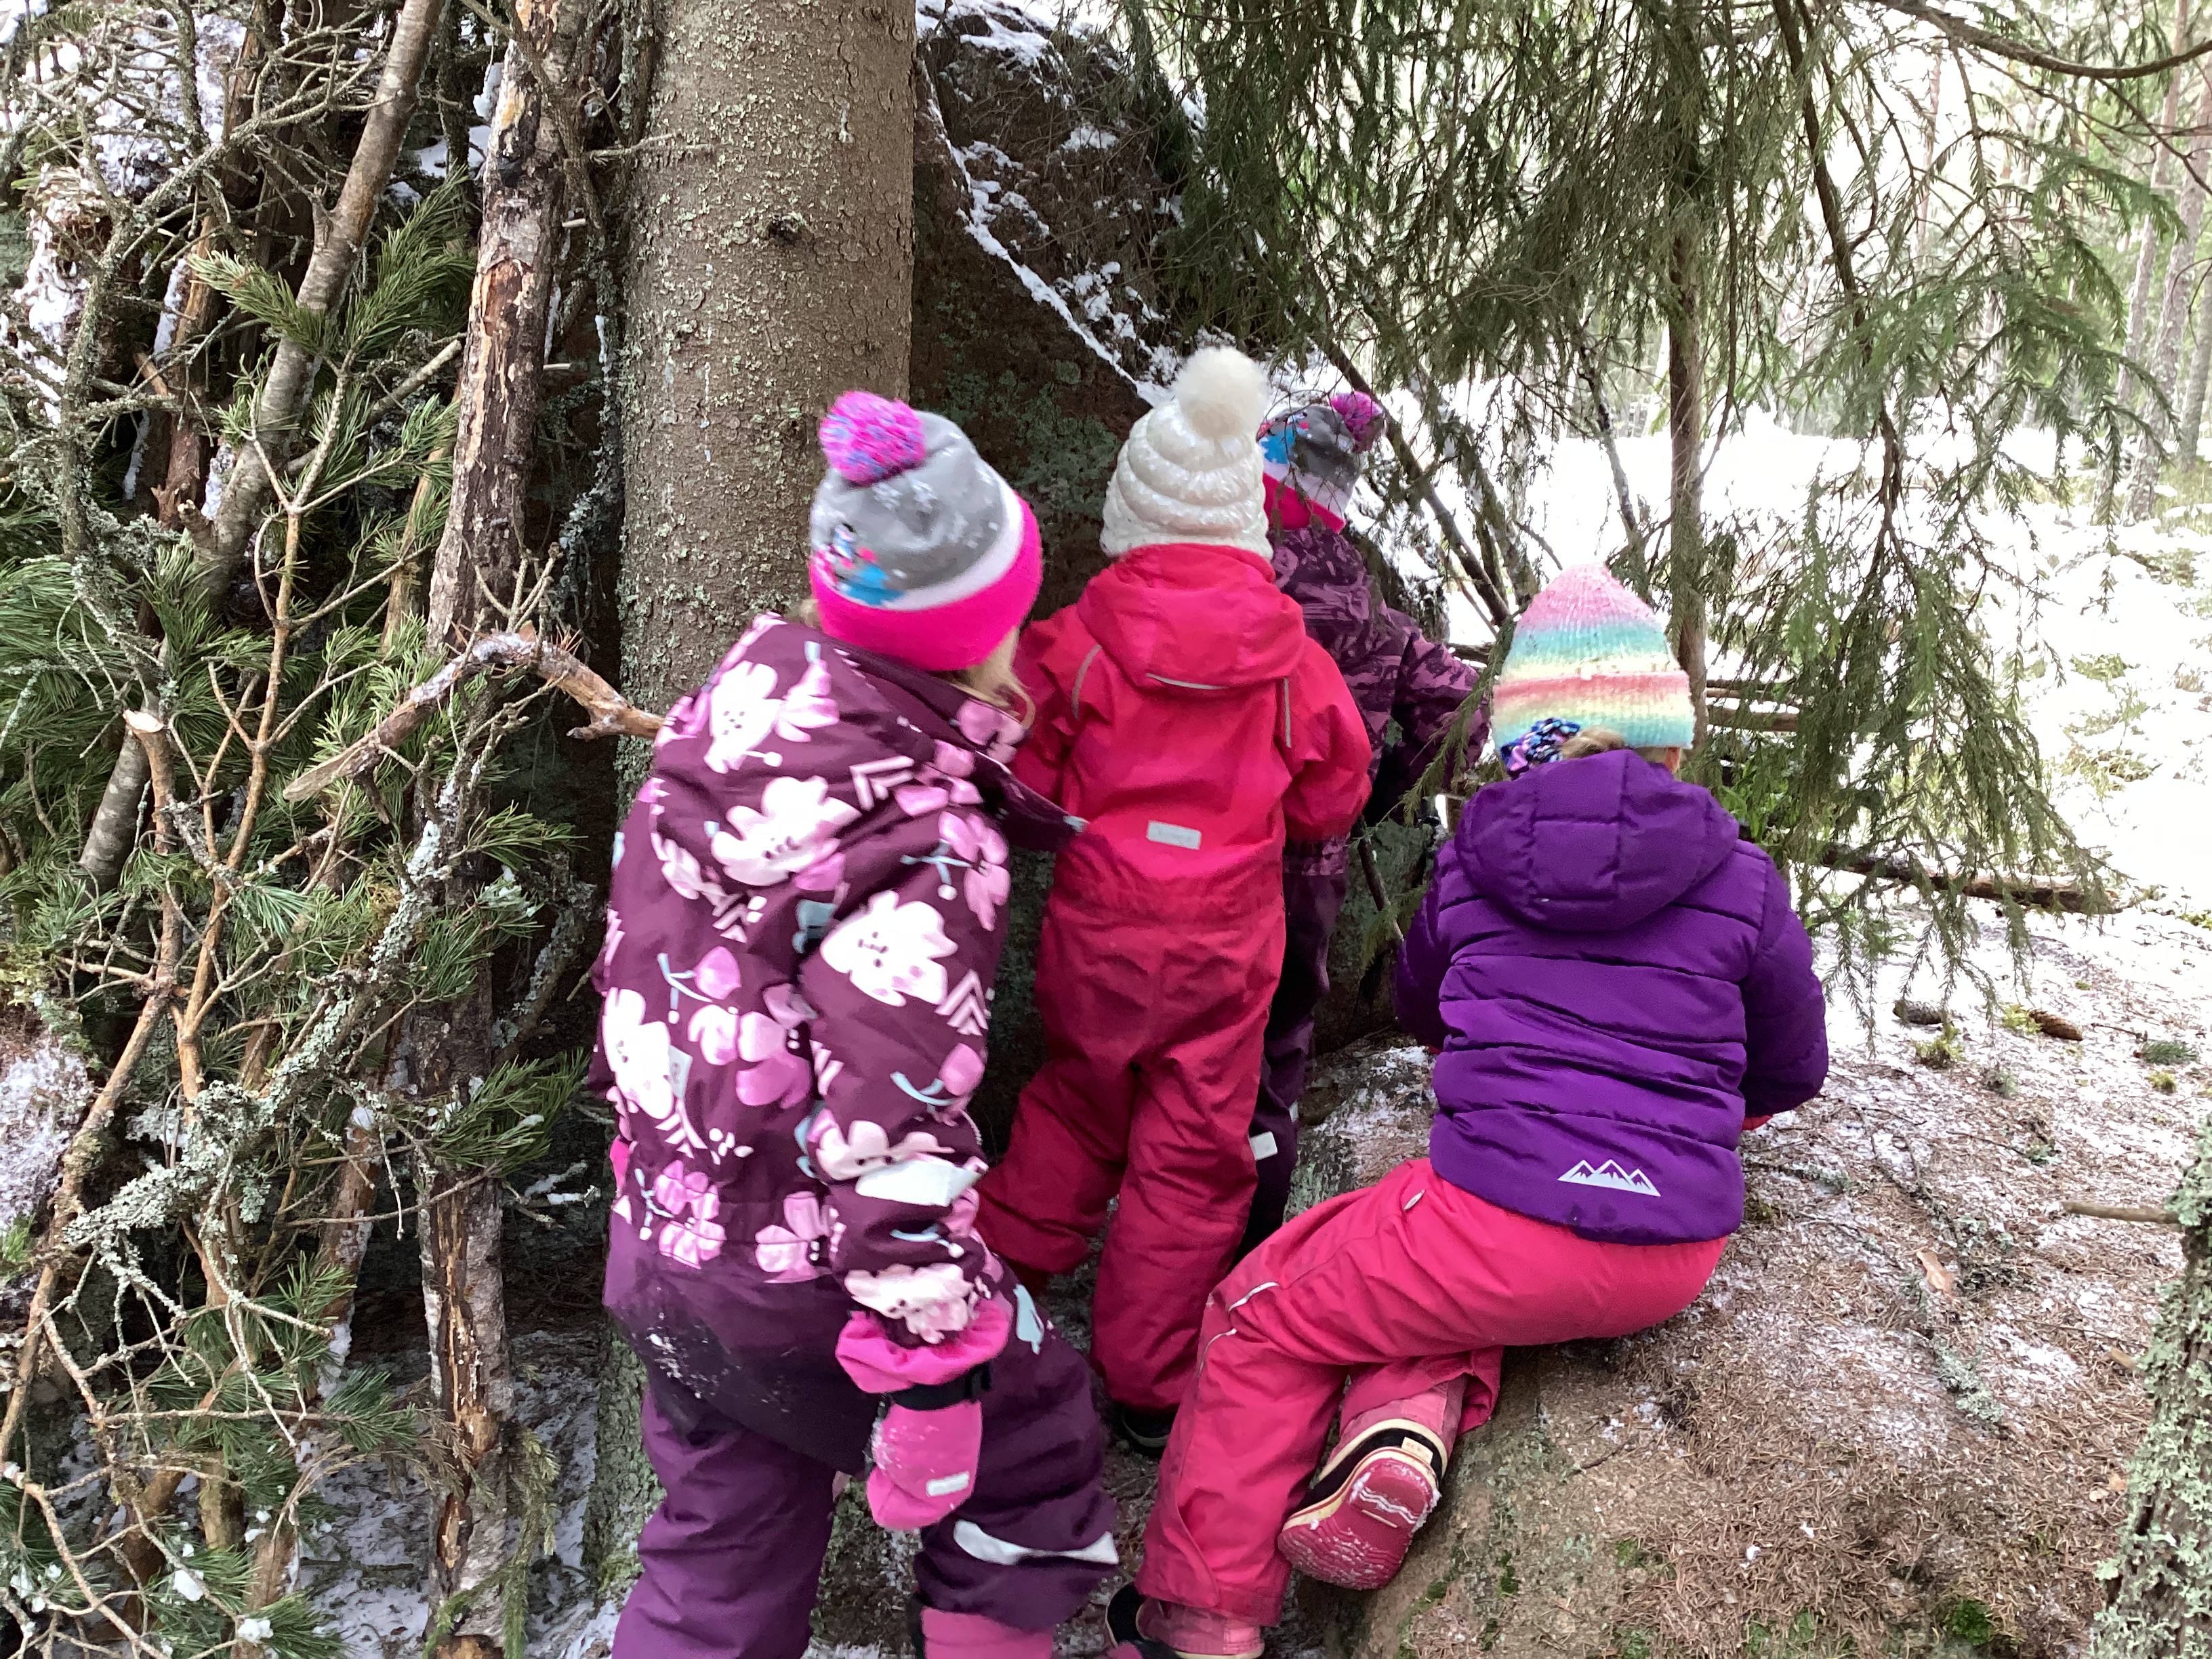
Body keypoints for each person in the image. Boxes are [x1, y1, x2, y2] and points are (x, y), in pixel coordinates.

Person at [1106, 564, 1830, 1659]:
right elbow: (1790, 1068)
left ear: (1516, 745)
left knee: (1264, 1309)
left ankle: (1198, 1618)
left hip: (1490, 1225)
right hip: (1673, 1251)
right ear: (1671, 747)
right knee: (1423, 1279)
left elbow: (1419, 1003)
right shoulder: (1743, 875)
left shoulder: (1475, 858)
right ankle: (1398, 1431)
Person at [597, 391, 1116, 1659]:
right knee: (1035, 1450)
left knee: (722, 1542)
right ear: (993, 624)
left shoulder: (729, 725)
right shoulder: (924, 833)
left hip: (669, 1242)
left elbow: (648, 979)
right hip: (808, 1275)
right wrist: (933, 1366)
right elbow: (895, 1127)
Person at [972, 348, 1372, 1458]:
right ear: (1243, 526)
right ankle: (1148, 1388)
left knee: (1073, 1108)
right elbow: (1333, 791)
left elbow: (1025, 771)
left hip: (1099, 931)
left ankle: (984, 1304)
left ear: (1132, 516)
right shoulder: (1291, 661)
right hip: (1226, 949)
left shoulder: (1077, 641)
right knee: (1193, 1156)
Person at [1242, 392, 1481, 1256]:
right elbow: (1462, 714)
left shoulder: (1223, 572)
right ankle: (1249, 1247)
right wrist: (1383, 790)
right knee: (1273, 1065)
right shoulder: (1372, 612)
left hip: (1193, 852)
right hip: (1308, 868)